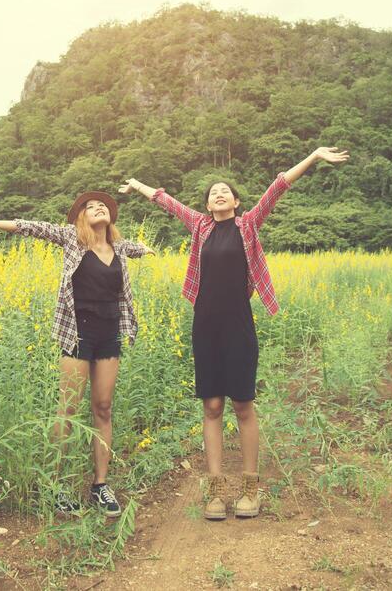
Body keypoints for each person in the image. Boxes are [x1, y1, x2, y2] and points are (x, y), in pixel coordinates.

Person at [120, 145, 349, 521]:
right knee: (211, 406)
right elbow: (167, 201)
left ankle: (250, 488)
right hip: (205, 324)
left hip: (239, 324)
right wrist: (138, 185)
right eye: (213, 193)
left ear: (237, 201)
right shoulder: (200, 226)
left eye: (225, 191)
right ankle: (214, 491)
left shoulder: (248, 224)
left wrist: (314, 155)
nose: (218, 194)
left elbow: (278, 186)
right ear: (208, 205)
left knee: (243, 404)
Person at [0, 190, 153, 517]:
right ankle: (56, 485)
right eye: (90, 207)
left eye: (102, 205)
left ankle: (100, 486)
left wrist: (144, 248)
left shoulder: (119, 247)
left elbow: (136, 248)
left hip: (109, 334)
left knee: (103, 408)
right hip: (78, 332)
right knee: (68, 409)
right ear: (80, 218)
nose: (98, 208)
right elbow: (28, 226)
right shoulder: (72, 239)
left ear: (110, 217)